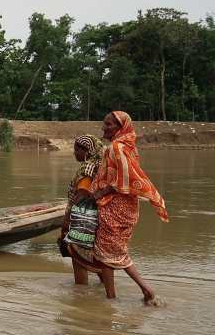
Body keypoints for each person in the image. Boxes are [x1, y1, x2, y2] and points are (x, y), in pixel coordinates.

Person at [70, 112, 168, 302]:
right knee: (109, 251)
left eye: (108, 124)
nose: (103, 127)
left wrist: (101, 193)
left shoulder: (116, 147)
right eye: (104, 123)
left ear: (119, 127)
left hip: (114, 207)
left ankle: (121, 297)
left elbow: (123, 178)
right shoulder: (128, 147)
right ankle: (122, 295)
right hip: (124, 205)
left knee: (106, 252)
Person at [59, 135, 104, 286]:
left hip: (82, 218)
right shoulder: (100, 165)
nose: (74, 153)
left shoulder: (88, 168)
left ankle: (80, 297)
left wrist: (66, 219)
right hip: (96, 217)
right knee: (96, 257)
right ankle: (107, 289)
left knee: (78, 259)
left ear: (87, 151)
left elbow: (82, 194)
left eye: (77, 150)